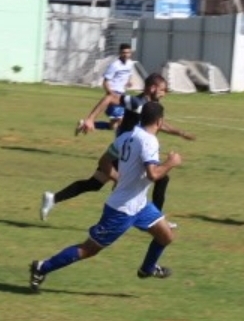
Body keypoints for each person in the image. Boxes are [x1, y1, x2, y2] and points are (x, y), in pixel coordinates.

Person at [29, 101, 182, 292]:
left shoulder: (126, 136)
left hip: (140, 205)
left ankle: (147, 269)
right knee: (88, 249)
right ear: (159, 122)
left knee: (165, 235)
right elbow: (153, 174)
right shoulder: (150, 141)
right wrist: (171, 163)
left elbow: (104, 161)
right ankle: (41, 268)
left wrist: (119, 178)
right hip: (121, 210)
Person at [41, 73, 195, 223]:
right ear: (153, 88)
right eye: (163, 90)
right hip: (123, 154)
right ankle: (154, 220)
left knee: (97, 184)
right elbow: (110, 97)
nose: (164, 94)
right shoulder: (136, 102)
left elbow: (158, 124)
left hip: (130, 152)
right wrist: (90, 119)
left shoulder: (148, 106)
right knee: (154, 179)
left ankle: (53, 198)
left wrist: (180, 132)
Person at [76, 43, 136, 136]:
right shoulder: (115, 65)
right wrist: (111, 94)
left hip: (122, 95)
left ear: (130, 53)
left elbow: (129, 74)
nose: (125, 55)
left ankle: (84, 124)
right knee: (122, 121)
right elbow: (105, 82)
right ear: (120, 53)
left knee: (113, 126)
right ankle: (120, 145)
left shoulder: (130, 64)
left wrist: (129, 81)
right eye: (123, 52)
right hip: (115, 95)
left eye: (128, 52)